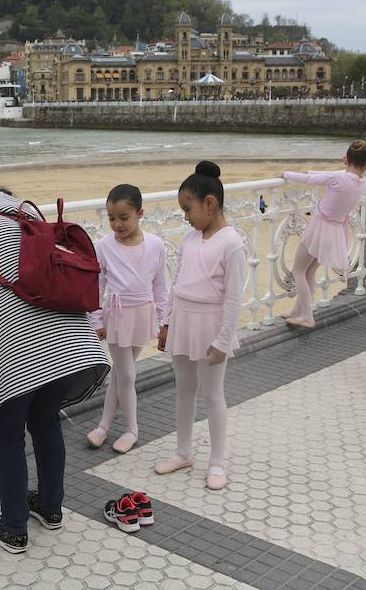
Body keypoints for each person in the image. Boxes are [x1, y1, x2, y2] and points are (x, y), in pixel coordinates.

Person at [0, 179, 109, 553]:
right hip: (73, 343)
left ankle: (14, 526)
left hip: (20, 352)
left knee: (6, 434)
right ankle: (50, 508)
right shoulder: (29, 214)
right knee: (46, 421)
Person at [155, 161, 247, 491]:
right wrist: (166, 323)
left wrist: (223, 339)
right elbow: (176, 282)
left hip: (210, 325)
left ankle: (217, 461)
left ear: (209, 203)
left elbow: (234, 297)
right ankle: (183, 452)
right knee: (184, 390)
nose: (185, 216)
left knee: (212, 394)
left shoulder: (232, 242)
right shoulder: (189, 239)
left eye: (187, 208)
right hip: (183, 321)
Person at [86, 184, 168, 454]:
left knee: (122, 374)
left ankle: (104, 425)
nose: (117, 224)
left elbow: (160, 287)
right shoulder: (103, 246)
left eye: (123, 218)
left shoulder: (155, 245)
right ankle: (132, 429)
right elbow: (96, 287)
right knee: (127, 374)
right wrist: (96, 319)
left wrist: (164, 321)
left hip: (142, 313)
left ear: (140, 213)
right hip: (118, 315)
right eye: (111, 218)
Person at [280, 140, 366, 328]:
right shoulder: (361, 182)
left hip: (320, 227)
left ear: (345, 159)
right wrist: (312, 173)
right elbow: (330, 175)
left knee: (299, 271)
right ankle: (297, 311)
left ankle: (307, 316)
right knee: (310, 271)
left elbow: (311, 180)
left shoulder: (338, 178)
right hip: (335, 230)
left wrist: (285, 174)